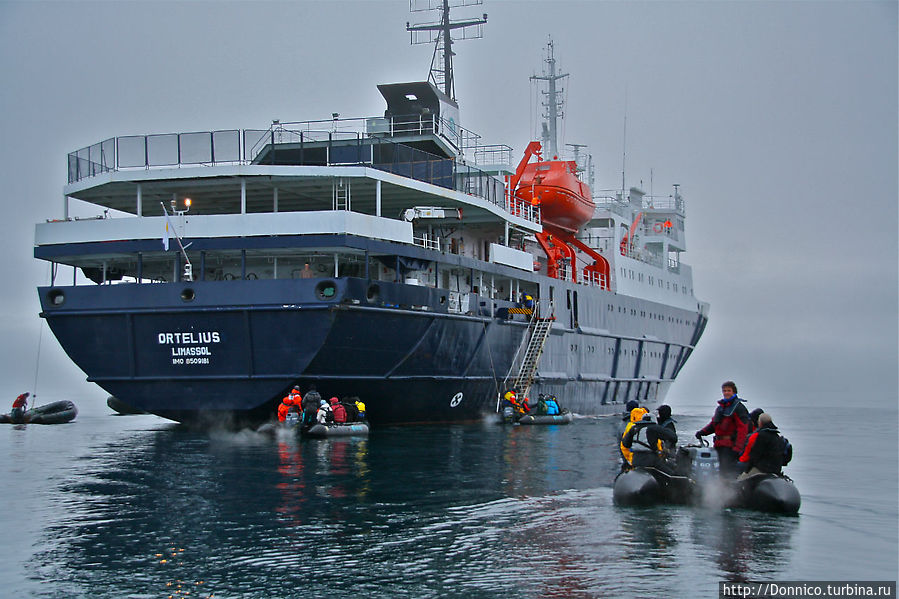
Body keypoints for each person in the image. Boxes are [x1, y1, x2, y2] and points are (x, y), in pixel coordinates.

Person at [695, 381, 750, 477]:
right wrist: (702, 432)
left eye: (729, 390)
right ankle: (715, 489)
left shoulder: (739, 408)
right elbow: (714, 425)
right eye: (724, 391)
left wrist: (737, 448)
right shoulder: (721, 408)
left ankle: (729, 490)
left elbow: (743, 429)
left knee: (727, 473)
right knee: (717, 471)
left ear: (734, 392)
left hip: (730, 447)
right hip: (718, 446)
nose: (726, 393)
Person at [738, 413, 790, 479]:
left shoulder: (761, 436)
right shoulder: (777, 437)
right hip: (776, 470)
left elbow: (754, 455)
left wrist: (747, 470)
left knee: (741, 479)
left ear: (760, 423)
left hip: (763, 469)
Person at [620, 406, 649, 471]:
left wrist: (629, 459)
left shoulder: (629, 426)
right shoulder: (648, 427)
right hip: (645, 459)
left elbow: (624, 446)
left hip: (633, 459)